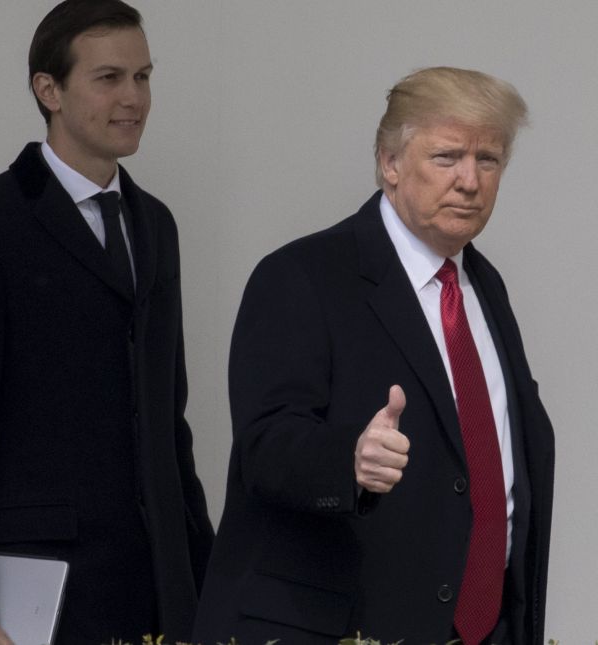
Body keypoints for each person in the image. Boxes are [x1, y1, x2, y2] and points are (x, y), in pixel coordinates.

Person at [193, 67, 555, 645]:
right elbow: (265, 446)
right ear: (390, 163)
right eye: (447, 156)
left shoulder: (485, 288)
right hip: (341, 627)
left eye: (488, 160)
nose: (470, 180)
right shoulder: (302, 276)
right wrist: (351, 461)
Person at [0, 2, 213, 643]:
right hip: (38, 593)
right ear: (49, 89)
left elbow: (166, 421)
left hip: (159, 592)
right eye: (109, 78)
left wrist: (206, 581)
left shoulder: (156, 225)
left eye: (144, 76)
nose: (134, 98)